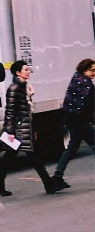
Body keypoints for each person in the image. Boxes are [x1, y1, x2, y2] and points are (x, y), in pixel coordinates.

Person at [0, 60, 56, 196]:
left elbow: (27, 112)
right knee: (32, 157)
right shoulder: (14, 88)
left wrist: (32, 130)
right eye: (26, 69)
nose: (28, 72)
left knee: (16, 157)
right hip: (17, 131)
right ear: (17, 72)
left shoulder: (24, 87)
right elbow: (10, 111)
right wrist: (10, 132)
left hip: (24, 129)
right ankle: (49, 184)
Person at [50, 58, 95, 189]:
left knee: (71, 148)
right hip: (81, 120)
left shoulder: (75, 78)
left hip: (71, 119)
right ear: (85, 70)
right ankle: (57, 177)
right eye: (92, 70)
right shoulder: (86, 84)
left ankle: (57, 177)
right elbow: (86, 105)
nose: (94, 73)